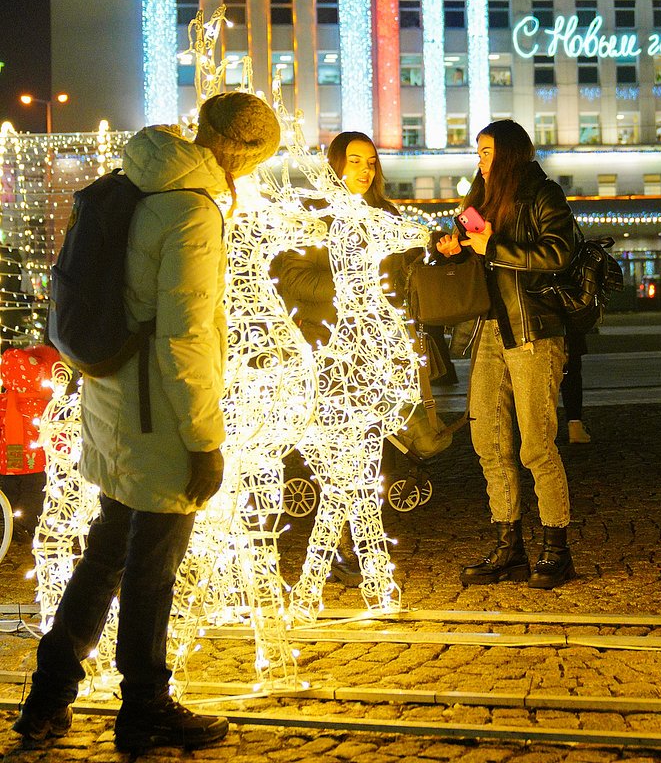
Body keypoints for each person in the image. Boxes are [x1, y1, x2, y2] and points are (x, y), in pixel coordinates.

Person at [15, 92, 281, 751]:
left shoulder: (140, 179)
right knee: (150, 568)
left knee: (106, 552)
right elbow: (185, 338)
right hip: (159, 414)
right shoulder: (190, 211)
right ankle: (145, 708)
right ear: (240, 154)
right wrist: (204, 439)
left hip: (114, 398)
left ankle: (47, 695)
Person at [271, 131, 421, 586]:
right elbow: (293, 279)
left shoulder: (383, 215)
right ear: (335, 165)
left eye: (371, 162)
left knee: (370, 458)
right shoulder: (314, 218)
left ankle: (356, 548)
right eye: (354, 161)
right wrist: (355, 285)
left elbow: (404, 270)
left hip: (374, 353)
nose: (365, 169)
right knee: (338, 461)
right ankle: (344, 550)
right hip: (327, 351)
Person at [437, 119, 577, 590]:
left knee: (536, 442)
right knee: (488, 441)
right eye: (478, 151)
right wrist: (454, 249)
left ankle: (557, 549)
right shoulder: (480, 197)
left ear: (511, 152)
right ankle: (508, 546)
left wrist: (492, 245)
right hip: (490, 330)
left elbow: (559, 253)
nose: (481, 159)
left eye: (489, 150)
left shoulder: (542, 192)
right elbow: (479, 257)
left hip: (533, 329)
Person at [560, 330, 591, 444]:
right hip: (568, 331)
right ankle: (575, 426)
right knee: (571, 378)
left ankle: (540, 429)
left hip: (540, 330)